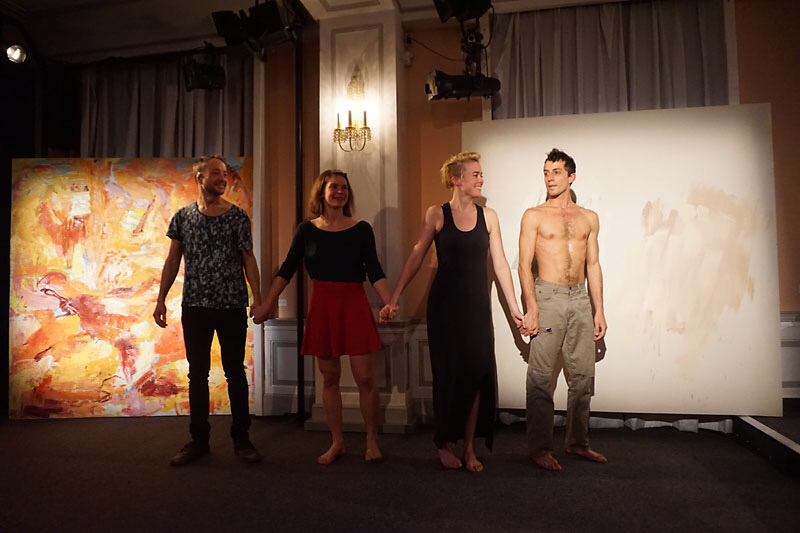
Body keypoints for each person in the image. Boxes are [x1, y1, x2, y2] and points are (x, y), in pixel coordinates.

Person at [380, 151, 523, 472]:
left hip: (476, 309)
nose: (481, 179)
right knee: (448, 375)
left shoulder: (489, 217)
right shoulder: (436, 214)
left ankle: (470, 447)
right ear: (457, 180)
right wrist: (394, 297)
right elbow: (416, 256)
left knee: (478, 373)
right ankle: (444, 443)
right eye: (475, 174)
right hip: (445, 308)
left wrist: (515, 308)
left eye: (481, 174)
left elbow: (501, 265)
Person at [253, 169, 391, 465]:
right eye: (334, 187)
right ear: (322, 192)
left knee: (365, 377)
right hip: (323, 305)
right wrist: (266, 304)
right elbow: (287, 269)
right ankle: (337, 441)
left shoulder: (362, 229)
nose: (340, 192)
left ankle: (371, 440)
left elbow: (375, 270)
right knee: (329, 377)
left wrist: (389, 302)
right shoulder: (306, 230)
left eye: (344, 188)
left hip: (353, 303)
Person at [154, 155, 264, 467]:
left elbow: (248, 259)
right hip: (195, 307)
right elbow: (172, 260)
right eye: (215, 173)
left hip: (231, 306)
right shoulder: (182, 218)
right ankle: (198, 440)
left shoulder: (237, 217)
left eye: (225, 174)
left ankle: (242, 439)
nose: (223, 178)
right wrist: (160, 299)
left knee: (235, 373)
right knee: (197, 374)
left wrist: (258, 299)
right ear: (199, 177)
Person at [518, 148, 608, 471]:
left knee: (583, 376)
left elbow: (593, 265)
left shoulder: (588, 218)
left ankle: (578, 443)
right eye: (546, 172)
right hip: (548, 295)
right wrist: (532, 307)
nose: (550, 178)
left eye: (556, 172)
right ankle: (539, 448)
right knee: (541, 377)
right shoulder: (534, 215)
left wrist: (599, 310)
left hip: (579, 297)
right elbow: (524, 266)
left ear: (571, 177)